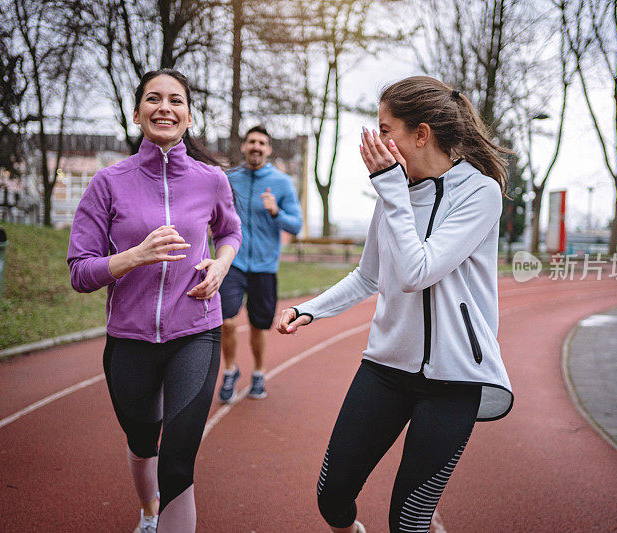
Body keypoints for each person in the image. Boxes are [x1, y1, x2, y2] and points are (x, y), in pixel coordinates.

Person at [277, 76, 514, 533]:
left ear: (420, 134)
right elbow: (370, 274)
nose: (377, 140)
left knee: (408, 522)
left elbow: (415, 272)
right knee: (331, 499)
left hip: (454, 378)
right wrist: (312, 308)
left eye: (386, 129)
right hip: (386, 369)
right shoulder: (393, 190)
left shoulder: (479, 193)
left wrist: (391, 189)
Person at [67, 68, 241, 533]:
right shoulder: (108, 183)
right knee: (144, 444)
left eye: (176, 100)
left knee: (178, 461)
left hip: (196, 331)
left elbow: (229, 231)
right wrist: (134, 257)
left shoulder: (210, 180)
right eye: (153, 99)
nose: (165, 107)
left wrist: (221, 264)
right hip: (130, 339)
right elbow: (80, 272)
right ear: (138, 111)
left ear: (188, 115)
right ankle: (149, 512)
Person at [217, 125, 302, 402]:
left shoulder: (282, 183)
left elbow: (297, 225)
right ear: (244, 146)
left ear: (268, 149)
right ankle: (230, 370)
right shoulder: (229, 179)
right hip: (233, 261)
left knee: (258, 325)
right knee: (226, 320)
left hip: (265, 266)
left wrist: (275, 210)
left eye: (261, 143)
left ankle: (258, 372)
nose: (256, 146)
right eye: (251, 141)